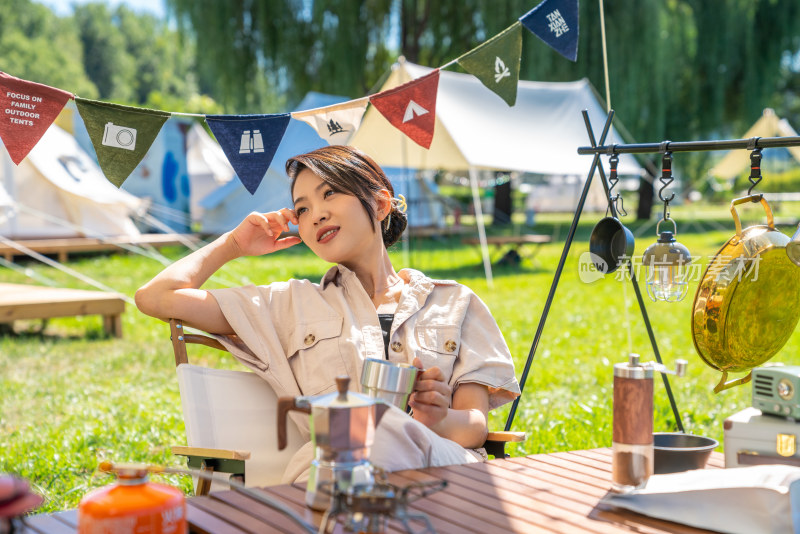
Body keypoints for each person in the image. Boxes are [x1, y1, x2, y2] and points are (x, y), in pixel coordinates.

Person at [135, 145, 520, 482]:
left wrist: (438, 418)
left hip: (443, 475)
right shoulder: (287, 305)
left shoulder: (454, 302)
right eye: (302, 209)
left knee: (380, 428)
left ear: (380, 204)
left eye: (330, 194)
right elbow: (157, 297)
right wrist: (233, 244)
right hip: (332, 475)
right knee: (360, 432)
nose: (316, 215)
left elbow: (475, 426)